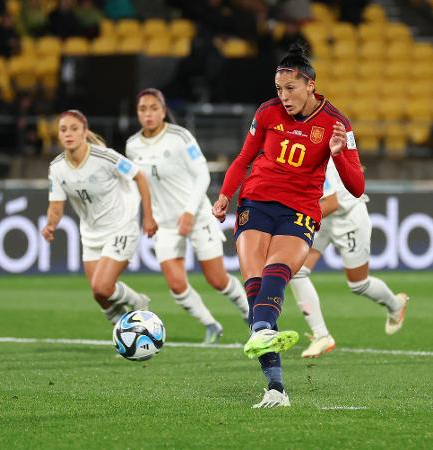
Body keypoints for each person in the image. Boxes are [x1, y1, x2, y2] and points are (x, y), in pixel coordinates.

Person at [212, 43, 365, 408]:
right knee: (256, 289)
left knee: (275, 276)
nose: (283, 97)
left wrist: (339, 155)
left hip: (299, 210)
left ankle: (264, 338)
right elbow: (245, 158)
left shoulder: (337, 125)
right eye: (278, 89)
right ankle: (276, 389)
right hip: (256, 202)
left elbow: (356, 187)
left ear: (310, 84)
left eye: (290, 89)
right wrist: (224, 195)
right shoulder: (267, 113)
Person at [125, 88, 249, 344]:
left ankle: (251, 315)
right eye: (142, 109)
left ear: (163, 110)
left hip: (197, 216)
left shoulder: (180, 137)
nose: (148, 114)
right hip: (164, 223)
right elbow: (140, 185)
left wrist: (190, 212)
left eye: (153, 108)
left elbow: (202, 175)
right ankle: (211, 325)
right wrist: (147, 216)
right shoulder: (132, 146)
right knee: (176, 284)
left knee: (217, 279)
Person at [42, 109, 158, 325]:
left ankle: (138, 302)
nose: (68, 133)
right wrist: (50, 224)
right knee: (100, 295)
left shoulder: (105, 157)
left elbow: (140, 177)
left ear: (85, 132)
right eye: (63, 129)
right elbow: (56, 205)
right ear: (58, 135)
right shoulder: (57, 168)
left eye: (74, 129)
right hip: (91, 235)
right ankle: (125, 333)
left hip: (121, 227)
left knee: (102, 286)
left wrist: (148, 217)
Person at [290, 159, 409, 358]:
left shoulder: (319, 159)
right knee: (296, 270)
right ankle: (322, 335)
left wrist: (295, 220)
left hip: (347, 217)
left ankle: (396, 305)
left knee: (359, 284)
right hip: (321, 217)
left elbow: (332, 202)